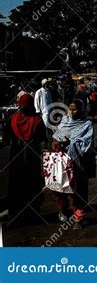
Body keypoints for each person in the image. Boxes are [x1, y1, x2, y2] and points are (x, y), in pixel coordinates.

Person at [52, 100, 95, 229]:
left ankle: (78, 218)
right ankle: (63, 209)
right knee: (61, 187)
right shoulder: (64, 122)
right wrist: (57, 143)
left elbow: (86, 145)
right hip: (63, 162)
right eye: (70, 109)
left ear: (81, 110)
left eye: (75, 109)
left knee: (79, 189)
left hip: (79, 163)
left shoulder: (87, 124)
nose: (72, 112)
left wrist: (70, 143)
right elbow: (56, 137)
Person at [6, 94, 48, 224]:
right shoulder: (37, 120)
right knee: (33, 185)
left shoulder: (13, 119)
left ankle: (15, 213)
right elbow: (42, 140)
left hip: (16, 156)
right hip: (32, 157)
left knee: (16, 184)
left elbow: (6, 138)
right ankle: (32, 213)